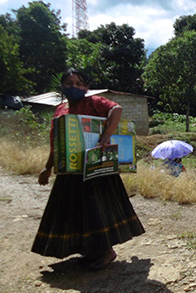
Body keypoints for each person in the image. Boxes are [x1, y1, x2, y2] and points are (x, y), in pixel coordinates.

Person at [32, 68, 145, 269]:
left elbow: (116, 109)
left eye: (79, 83)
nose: (74, 87)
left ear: (86, 87)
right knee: (73, 212)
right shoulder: (60, 110)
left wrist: (106, 135)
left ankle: (106, 252)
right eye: (69, 84)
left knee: (95, 211)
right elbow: (56, 143)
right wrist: (47, 168)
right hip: (69, 171)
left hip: (95, 169)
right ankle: (89, 250)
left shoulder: (94, 102)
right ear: (62, 87)